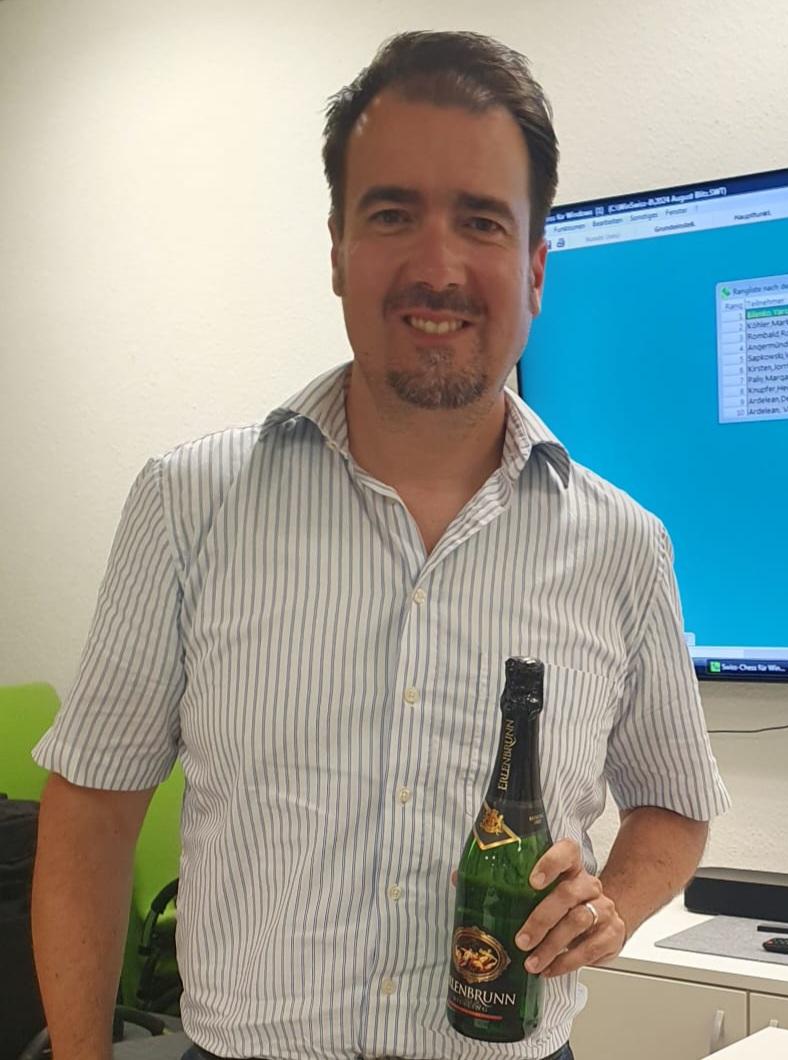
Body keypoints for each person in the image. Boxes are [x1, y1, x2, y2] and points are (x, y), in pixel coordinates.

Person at [31, 30, 730, 1060]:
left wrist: (611, 905)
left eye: (481, 221)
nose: (437, 267)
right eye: (393, 214)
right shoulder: (189, 505)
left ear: (535, 269)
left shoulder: (623, 546)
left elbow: (674, 802)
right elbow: (89, 816)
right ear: (337, 250)